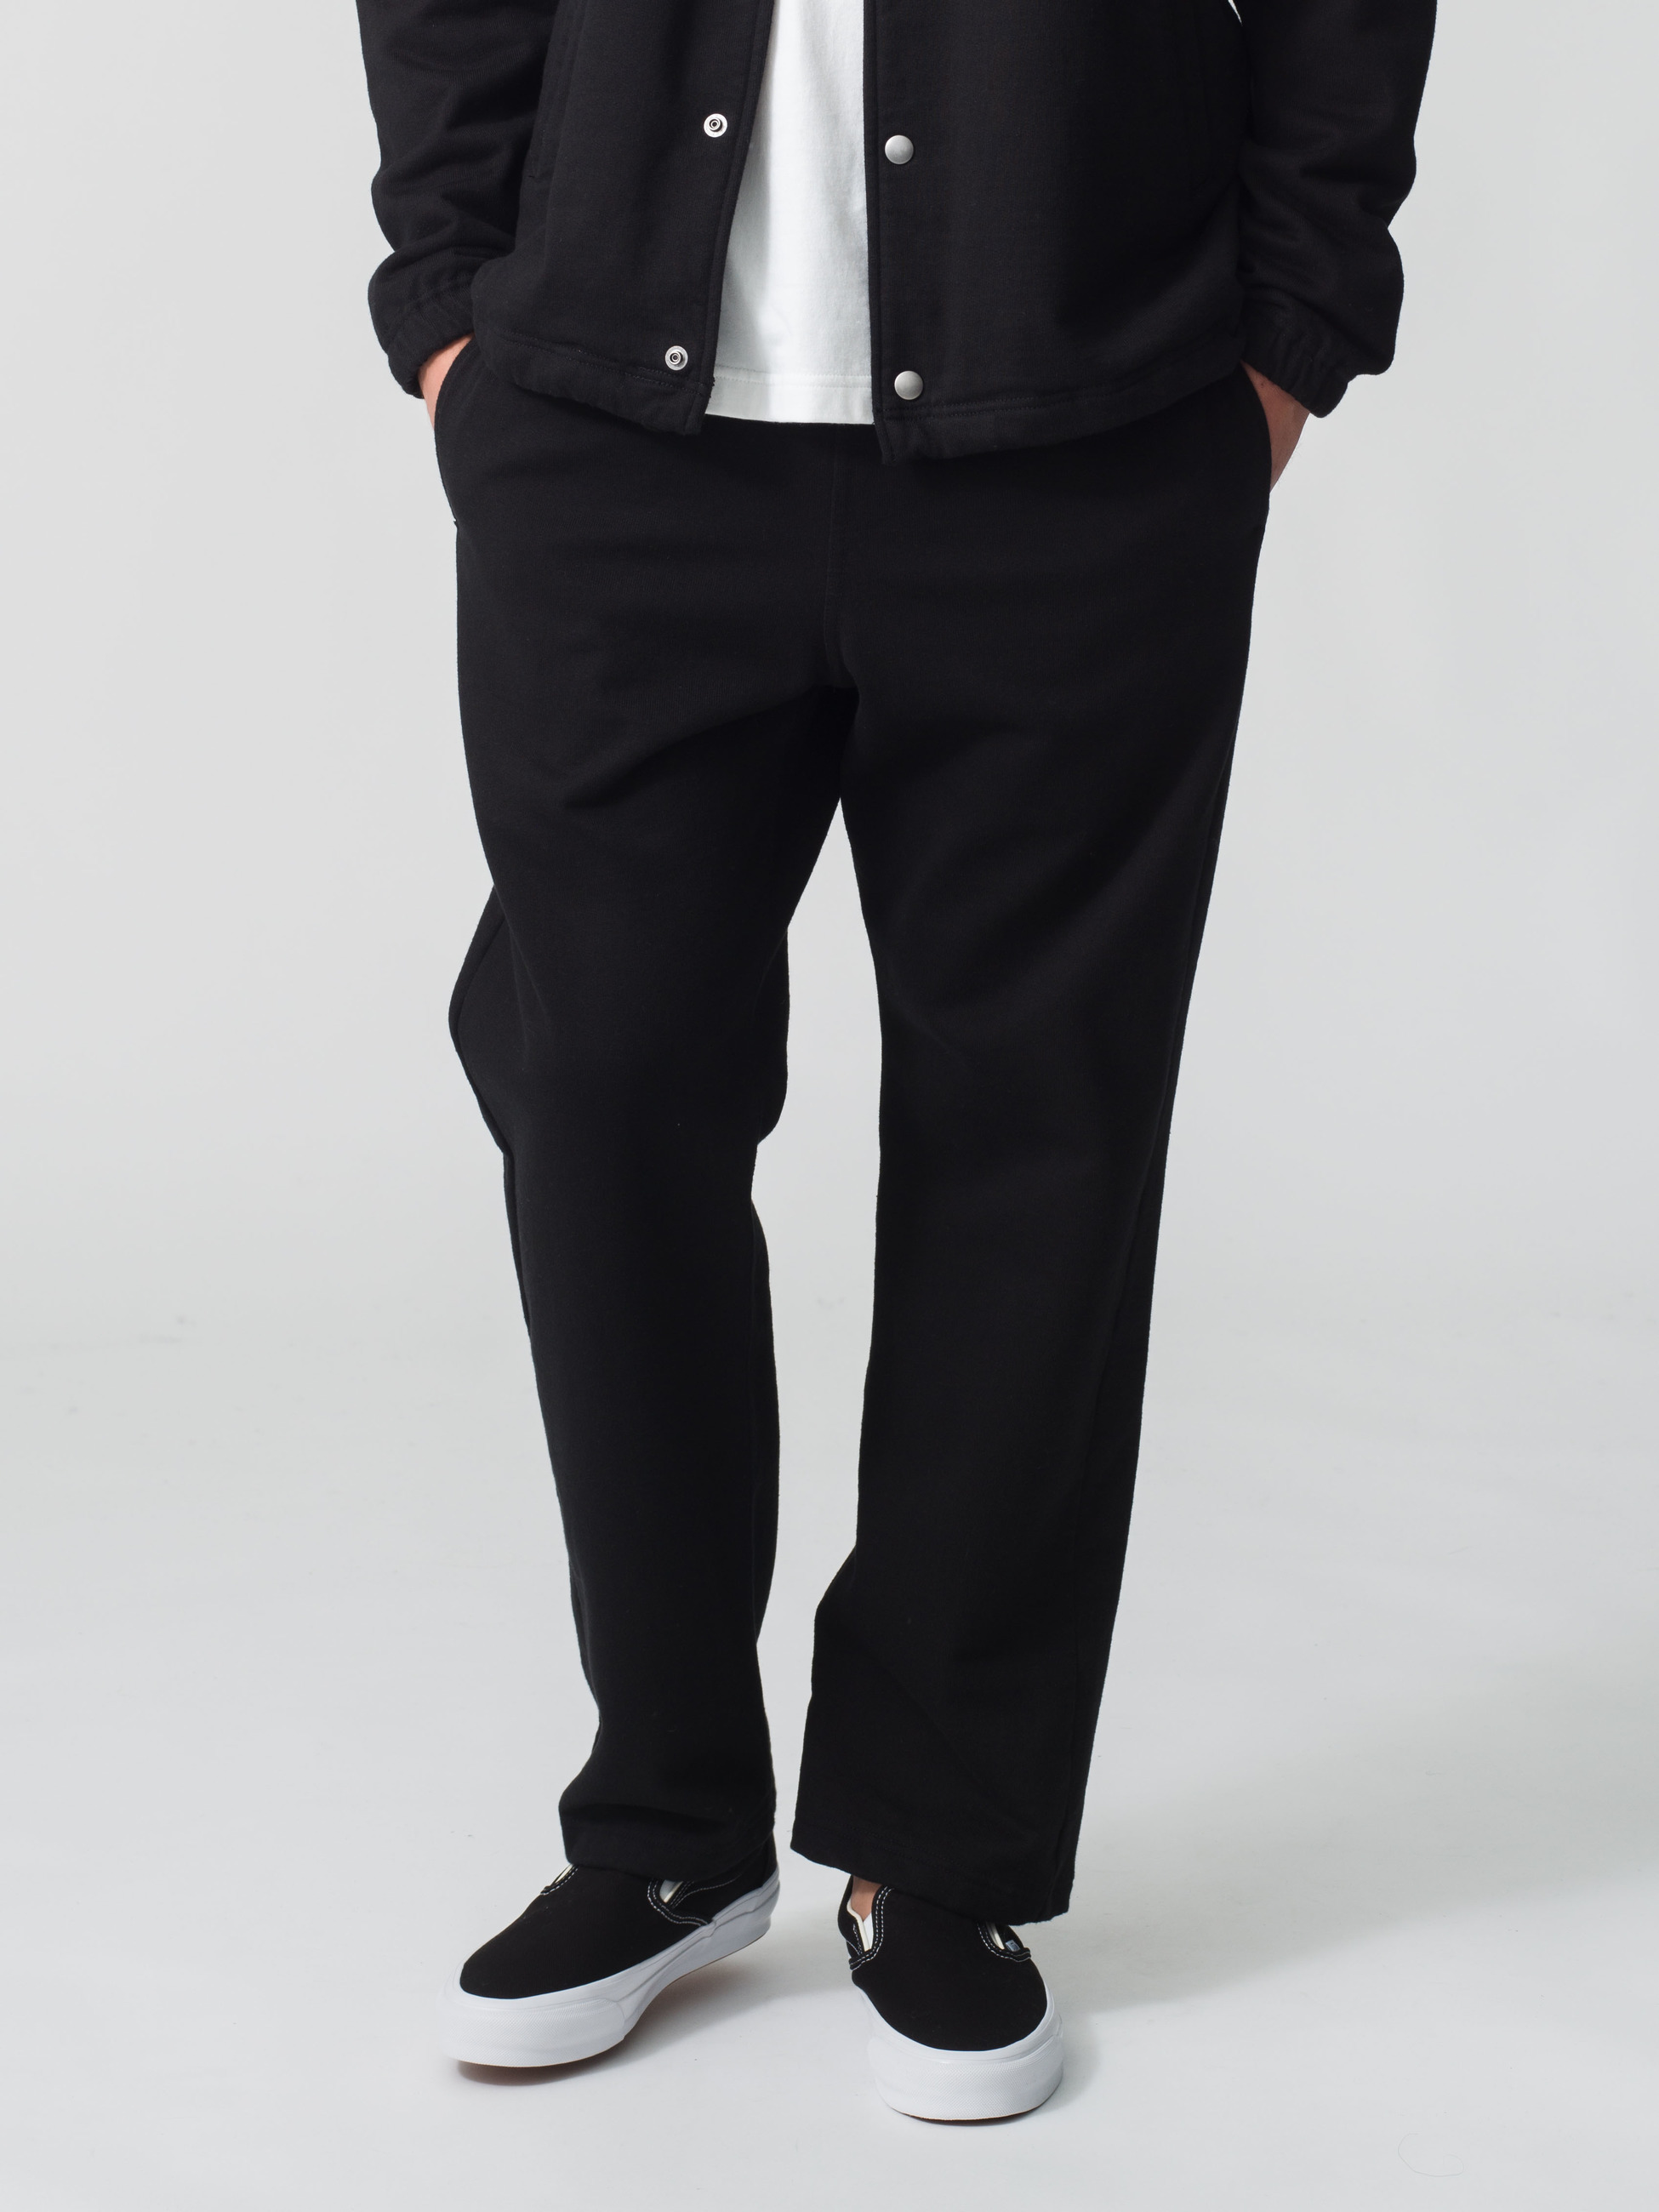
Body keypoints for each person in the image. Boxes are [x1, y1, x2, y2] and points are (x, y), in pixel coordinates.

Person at [354, 0, 1435, 2121]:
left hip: (1086, 424)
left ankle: (939, 1851)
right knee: (600, 1091)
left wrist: (1291, 335)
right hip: (612, 420)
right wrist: (452, 302)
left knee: (1038, 1130)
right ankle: (668, 1819)